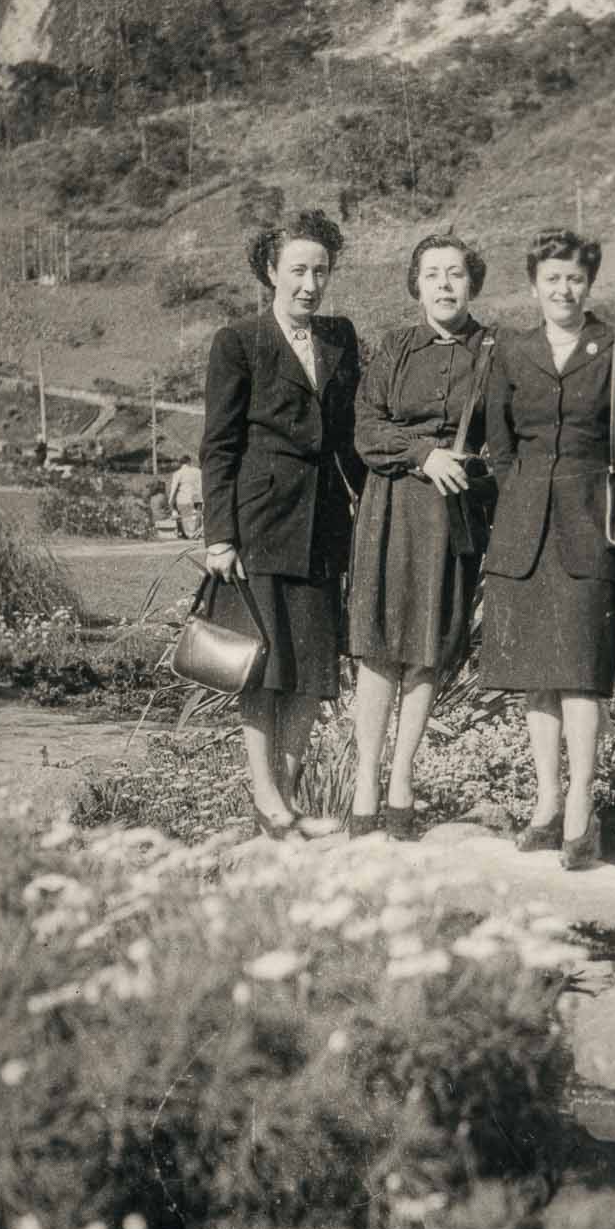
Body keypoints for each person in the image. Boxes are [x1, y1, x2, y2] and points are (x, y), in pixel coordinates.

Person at [480, 226, 615, 870]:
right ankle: (546, 803)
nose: (564, 289)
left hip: (594, 528)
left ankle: (581, 809)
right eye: (552, 279)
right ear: (533, 285)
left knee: (583, 672)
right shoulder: (511, 350)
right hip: (524, 531)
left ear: (590, 283)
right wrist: (520, 497)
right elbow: (500, 445)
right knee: (537, 675)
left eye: (575, 278)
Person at [201, 206, 364, 837]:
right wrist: (220, 535)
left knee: (313, 669)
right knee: (263, 668)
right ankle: (265, 796)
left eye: (320, 271)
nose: (310, 284)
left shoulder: (340, 337)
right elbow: (219, 445)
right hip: (261, 524)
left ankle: (287, 803)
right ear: (271, 271)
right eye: (297, 270)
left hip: (324, 526)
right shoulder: (239, 341)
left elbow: (349, 439)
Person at [348, 232, 495, 838]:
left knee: (430, 645)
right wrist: (422, 454)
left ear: (472, 284)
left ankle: (402, 780)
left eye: (455, 274)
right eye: (432, 274)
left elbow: (508, 435)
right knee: (379, 643)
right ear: (416, 286)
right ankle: (364, 783)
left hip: (452, 514)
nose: (444, 285)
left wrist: (471, 468)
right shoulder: (395, 347)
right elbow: (366, 427)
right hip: (391, 505)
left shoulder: (495, 351)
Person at [167, 454, 204, 540]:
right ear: (189, 462)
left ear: (180, 463)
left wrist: (170, 501)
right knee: (196, 517)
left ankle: (189, 534)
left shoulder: (177, 473)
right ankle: (195, 534)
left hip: (183, 499)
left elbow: (174, 489)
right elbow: (202, 485)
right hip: (197, 498)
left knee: (186, 518)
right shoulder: (198, 471)